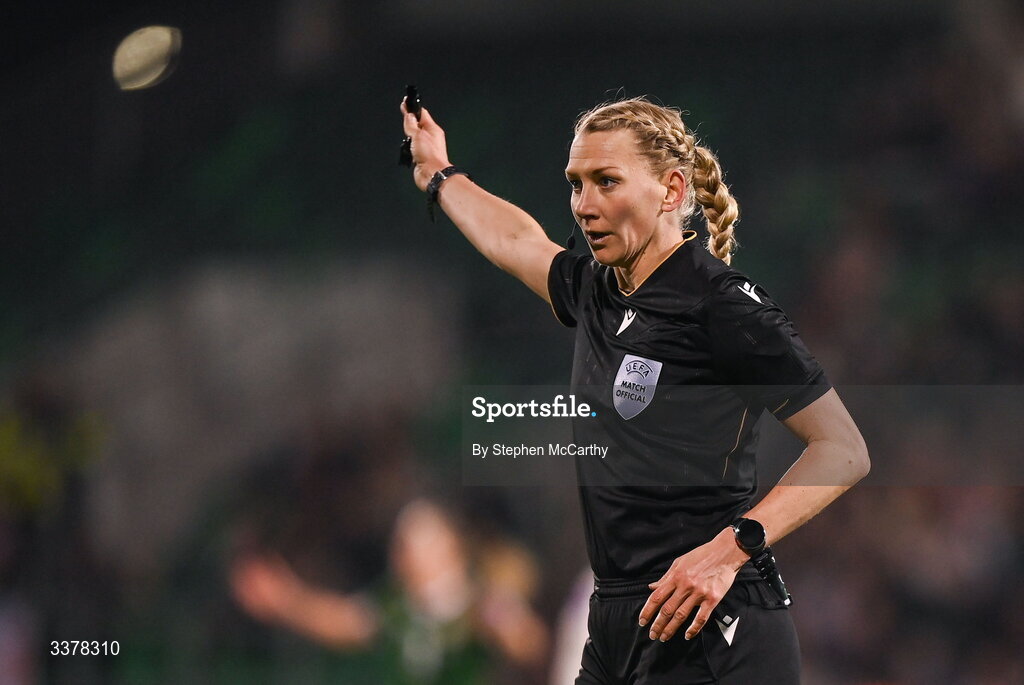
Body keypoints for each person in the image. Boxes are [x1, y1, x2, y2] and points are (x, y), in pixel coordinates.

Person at [400, 95, 870, 684]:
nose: (584, 206)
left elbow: (843, 449)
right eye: (576, 185)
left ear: (671, 191)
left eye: (606, 181)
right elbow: (518, 241)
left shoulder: (721, 306)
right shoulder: (599, 293)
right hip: (616, 621)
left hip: (710, 623)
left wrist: (733, 547)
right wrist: (438, 175)